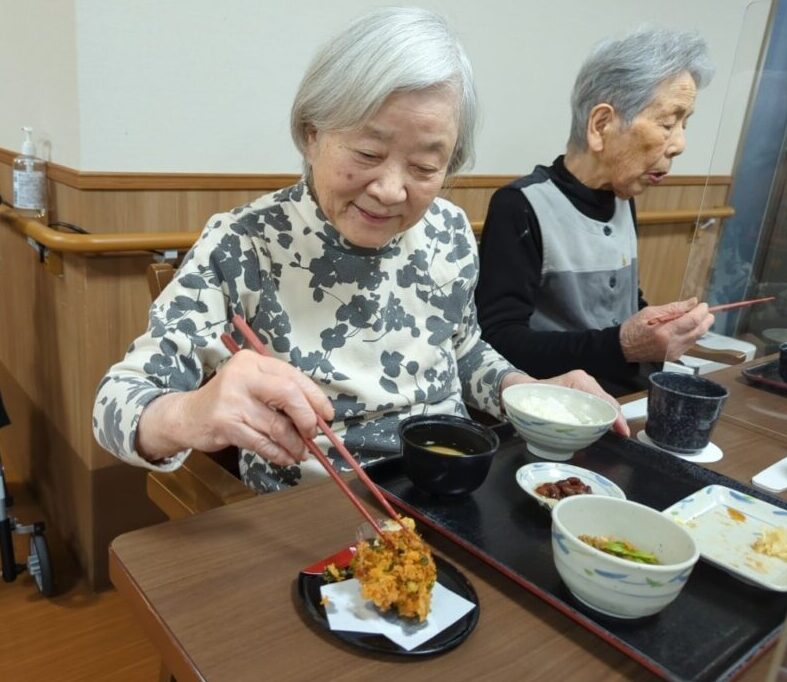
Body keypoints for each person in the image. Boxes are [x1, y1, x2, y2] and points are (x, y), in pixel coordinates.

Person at [93, 7, 627, 495]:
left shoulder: (449, 229)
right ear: (311, 134)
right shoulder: (243, 243)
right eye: (368, 152)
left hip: (450, 486)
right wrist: (191, 413)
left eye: (423, 168)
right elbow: (115, 403)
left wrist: (531, 394)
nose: (392, 190)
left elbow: (461, 350)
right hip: (314, 506)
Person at [475, 27, 717, 397]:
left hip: (631, 396)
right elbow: (499, 343)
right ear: (601, 125)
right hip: (561, 408)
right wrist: (623, 345)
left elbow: (623, 307)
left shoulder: (623, 196)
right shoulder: (522, 205)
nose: (680, 144)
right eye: (668, 123)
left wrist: (661, 325)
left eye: (685, 124)